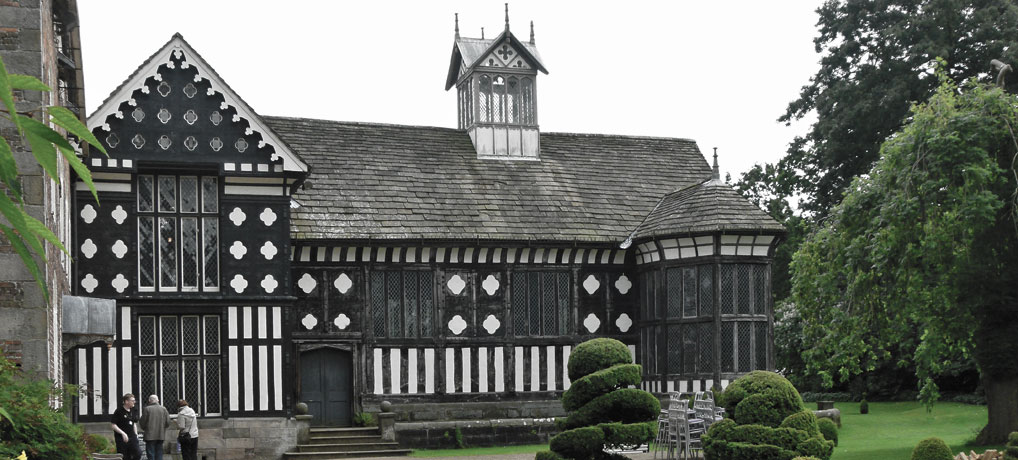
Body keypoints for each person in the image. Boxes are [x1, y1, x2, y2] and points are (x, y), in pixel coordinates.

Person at [139, 394, 171, 460]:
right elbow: (168, 422)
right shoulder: (163, 409)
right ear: (158, 400)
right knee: (159, 452)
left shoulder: (147, 409)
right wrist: (162, 428)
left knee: (150, 454)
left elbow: (142, 422)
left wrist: (145, 428)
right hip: (160, 435)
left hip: (149, 435)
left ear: (149, 401)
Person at [111, 393, 141, 460]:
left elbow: (134, 423)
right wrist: (123, 433)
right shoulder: (119, 411)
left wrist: (136, 434)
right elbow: (113, 425)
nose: (134, 402)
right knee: (125, 456)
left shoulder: (134, 410)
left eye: (134, 400)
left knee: (138, 453)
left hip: (132, 436)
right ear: (126, 401)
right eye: (132, 401)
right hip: (121, 438)